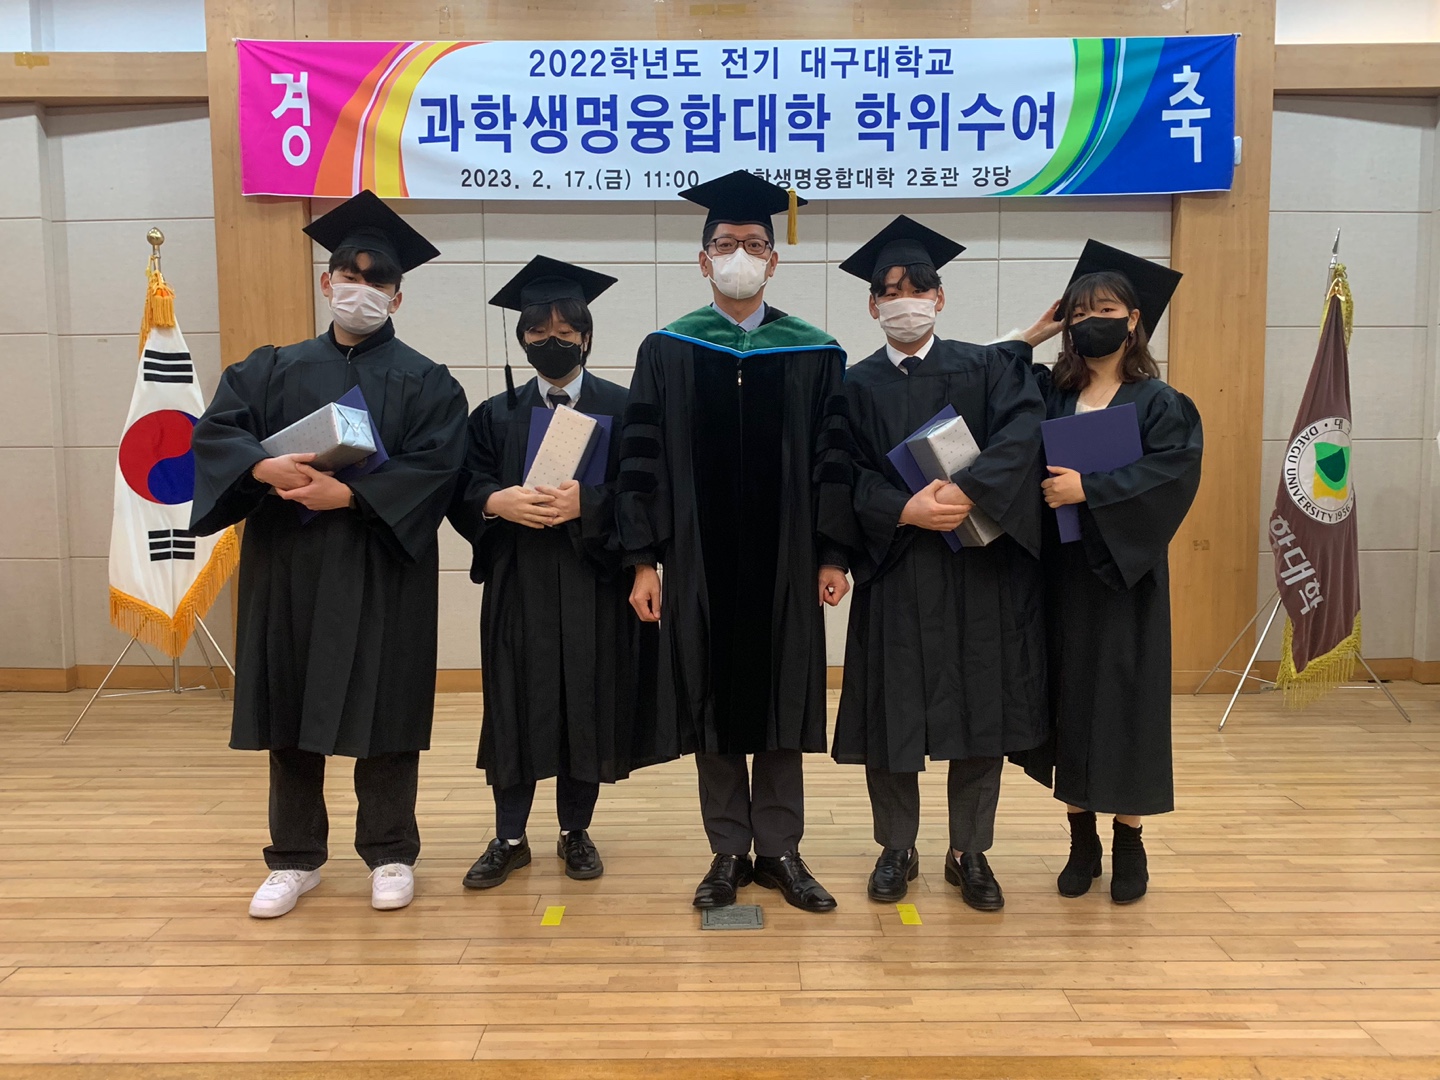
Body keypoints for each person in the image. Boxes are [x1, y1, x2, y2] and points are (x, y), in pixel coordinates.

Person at [190, 191, 468, 918]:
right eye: (351, 274)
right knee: (289, 704)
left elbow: (440, 466)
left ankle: (390, 850)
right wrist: (262, 466)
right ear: (327, 281)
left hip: (380, 564)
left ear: (397, 296)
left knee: (386, 706)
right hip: (292, 563)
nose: (362, 288)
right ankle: (293, 857)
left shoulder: (429, 381)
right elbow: (217, 433)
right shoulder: (269, 369)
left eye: (378, 280)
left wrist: (351, 495)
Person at [616, 170, 850, 913]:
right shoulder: (666, 349)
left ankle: (779, 849)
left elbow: (835, 460)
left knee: (782, 697)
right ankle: (726, 850)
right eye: (725, 244)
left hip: (787, 560)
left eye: (753, 243)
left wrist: (833, 552)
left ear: (773, 261)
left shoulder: (814, 352)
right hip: (697, 560)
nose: (739, 254)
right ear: (703, 259)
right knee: (709, 698)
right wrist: (644, 560)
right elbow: (642, 460)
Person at [823, 215, 1054, 911]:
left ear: (940, 297)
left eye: (917, 288)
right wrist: (903, 509)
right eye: (890, 291)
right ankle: (897, 847)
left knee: (982, 710)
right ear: (872, 305)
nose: (905, 301)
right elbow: (840, 473)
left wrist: (968, 489)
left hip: (977, 567)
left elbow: (1024, 433)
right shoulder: (851, 386)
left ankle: (969, 851)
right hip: (898, 568)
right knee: (892, 715)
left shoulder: (987, 368)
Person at [448, 256, 669, 890]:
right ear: (521, 339)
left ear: (587, 336)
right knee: (514, 702)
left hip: (594, 580)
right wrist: (497, 501)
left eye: (565, 331)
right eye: (538, 331)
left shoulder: (626, 408)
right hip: (519, 580)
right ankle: (509, 837)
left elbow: (647, 492)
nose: (552, 341)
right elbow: (462, 486)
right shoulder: (495, 413)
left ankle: (576, 831)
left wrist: (589, 506)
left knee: (586, 702)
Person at [1024, 241, 1203, 904]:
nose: (1090, 321)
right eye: (1078, 313)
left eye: (1104, 310)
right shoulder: (1051, 392)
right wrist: (1034, 335)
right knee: (1069, 702)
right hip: (1062, 576)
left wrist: (1090, 490)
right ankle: (1082, 841)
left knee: (1126, 705)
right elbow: (985, 381)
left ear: (1133, 319)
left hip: (1127, 577)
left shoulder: (1159, 402)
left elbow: (1171, 473)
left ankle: (1130, 840)